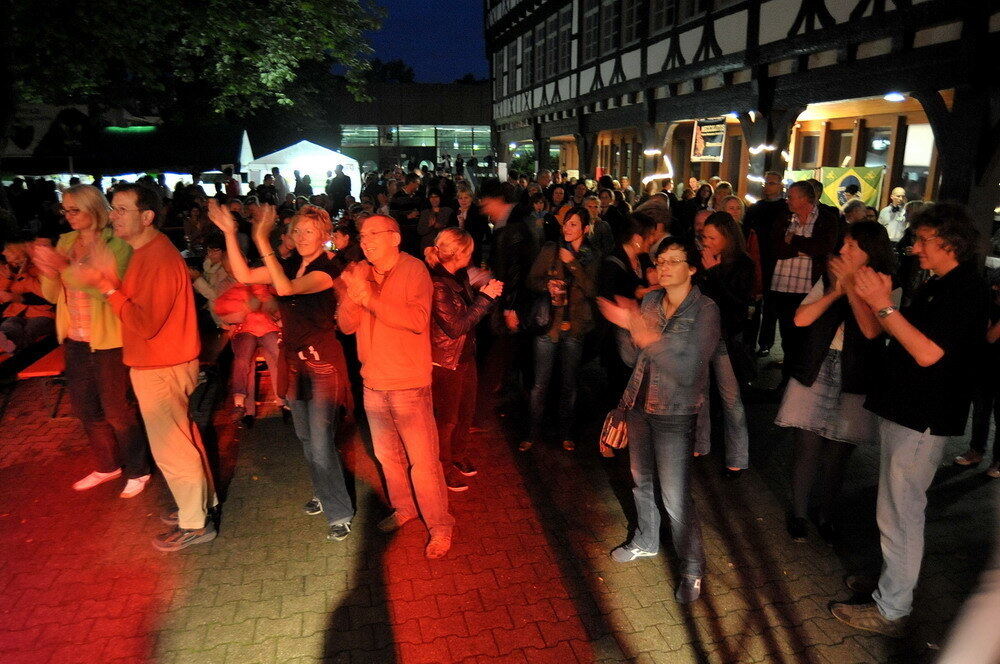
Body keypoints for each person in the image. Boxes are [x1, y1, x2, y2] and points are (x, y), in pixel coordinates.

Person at [830, 203, 989, 637]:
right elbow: (879, 332)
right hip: (905, 409)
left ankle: (892, 607)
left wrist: (882, 304)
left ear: (950, 243)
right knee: (893, 509)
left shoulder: (965, 290)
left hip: (924, 418)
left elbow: (927, 352)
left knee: (901, 513)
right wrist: (861, 294)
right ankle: (891, 586)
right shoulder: (938, 284)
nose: (914, 247)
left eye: (923, 240)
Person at [76, 183, 215, 552]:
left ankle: (195, 522)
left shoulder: (157, 257)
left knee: (172, 447)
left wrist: (108, 289)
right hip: (164, 361)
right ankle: (200, 505)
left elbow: (146, 322)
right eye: (113, 209)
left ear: (147, 216)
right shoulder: (147, 252)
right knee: (182, 440)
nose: (113, 216)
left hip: (161, 365)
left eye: (121, 209)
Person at [209, 201, 355, 542]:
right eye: (297, 230)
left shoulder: (325, 269)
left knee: (320, 443)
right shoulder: (288, 264)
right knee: (306, 438)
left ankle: (339, 511)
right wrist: (231, 233)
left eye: (310, 231)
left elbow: (287, 289)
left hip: (321, 366)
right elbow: (244, 276)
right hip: (293, 362)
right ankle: (324, 491)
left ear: (324, 236)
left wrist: (261, 238)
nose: (302, 237)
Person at [598, 237, 719, 604]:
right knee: (641, 480)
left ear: (692, 268)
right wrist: (626, 326)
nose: (663, 268)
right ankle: (647, 540)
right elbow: (632, 358)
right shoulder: (650, 301)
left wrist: (643, 332)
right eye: (660, 261)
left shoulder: (705, 311)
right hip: (639, 404)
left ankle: (692, 567)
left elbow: (686, 369)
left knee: (676, 497)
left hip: (676, 412)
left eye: (674, 260)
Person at [339, 215, 455, 559]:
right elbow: (345, 325)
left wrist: (369, 298)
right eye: (362, 235)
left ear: (395, 238)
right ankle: (405, 508)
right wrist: (352, 294)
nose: (366, 240)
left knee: (423, 462)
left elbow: (417, 321)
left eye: (374, 234)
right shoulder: (360, 272)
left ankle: (440, 525)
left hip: (408, 384)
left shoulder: (414, 270)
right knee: (388, 456)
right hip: (372, 382)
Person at [775, 221, 896, 544]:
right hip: (817, 363)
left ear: (870, 251)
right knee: (807, 446)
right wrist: (835, 291)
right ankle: (799, 514)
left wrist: (852, 290)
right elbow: (801, 318)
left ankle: (826, 514)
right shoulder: (830, 276)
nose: (842, 250)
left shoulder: (886, 282)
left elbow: (873, 331)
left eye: (851, 246)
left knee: (838, 454)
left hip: (856, 373)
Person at [32, 184, 148, 497]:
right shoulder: (66, 242)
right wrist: (46, 269)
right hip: (75, 338)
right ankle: (108, 465)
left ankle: (139, 469)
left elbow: (105, 288)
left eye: (74, 209)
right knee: (86, 409)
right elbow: (51, 294)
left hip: (109, 338)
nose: (67, 216)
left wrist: (63, 267)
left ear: (93, 209)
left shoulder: (117, 243)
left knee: (117, 410)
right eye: (64, 210)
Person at [425, 229, 502, 492]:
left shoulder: (458, 276)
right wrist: (486, 297)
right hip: (446, 361)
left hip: (464, 357)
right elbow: (456, 326)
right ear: (457, 253)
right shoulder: (437, 283)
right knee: (446, 420)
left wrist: (481, 290)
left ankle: (457, 456)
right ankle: (442, 467)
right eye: (468, 249)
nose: (472, 253)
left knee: (465, 413)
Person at [521, 207, 599, 453]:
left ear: (585, 229)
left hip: (574, 326)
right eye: (566, 223)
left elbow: (592, 289)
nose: (567, 228)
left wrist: (573, 264)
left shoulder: (592, 255)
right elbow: (531, 280)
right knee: (540, 383)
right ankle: (532, 433)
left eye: (574, 224)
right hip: (549, 326)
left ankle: (566, 433)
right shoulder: (550, 249)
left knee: (569, 383)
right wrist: (548, 285)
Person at [764, 181, 841, 376]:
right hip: (782, 286)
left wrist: (794, 241)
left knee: (805, 338)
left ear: (805, 198)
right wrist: (805, 249)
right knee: (788, 339)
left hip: (810, 289)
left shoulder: (827, 219)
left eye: (791, 196)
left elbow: (823, 248)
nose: (787, 199)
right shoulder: (783, 217)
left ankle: (801, 379)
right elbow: (776, 248)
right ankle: (786, 381)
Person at [696, 212, 752, 474]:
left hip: (726, 338)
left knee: (731, 399)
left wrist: (713, 273)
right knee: (701, 395)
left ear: (727, 238)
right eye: (704, 236)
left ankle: (738, 457)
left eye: (711, 237)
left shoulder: (743, 264)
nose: (705, 242)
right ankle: (700, 444)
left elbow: (737, 303)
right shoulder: (703, 259)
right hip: (703, 335)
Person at [743, 171, 788, 357]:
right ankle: (750, 341)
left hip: (775, 261)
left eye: (771, 183)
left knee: (771, 306)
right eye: (766, 183)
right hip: (755, 259)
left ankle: (765, 342)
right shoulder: (756, 208)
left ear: (779, 185)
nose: (767, 186)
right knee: (754, 303)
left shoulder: (785, 209)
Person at [0, 236, 54, 354]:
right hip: (16, 313)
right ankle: (7, 342)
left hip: (43, 314)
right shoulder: (6, 270)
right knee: (10, 325)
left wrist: (24, 276)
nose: (4, 253)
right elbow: (2, 296)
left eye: (8, 250)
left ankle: (11, 348)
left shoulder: (39, 268)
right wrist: (8, 277)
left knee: (32, 329)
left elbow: (48, 296)